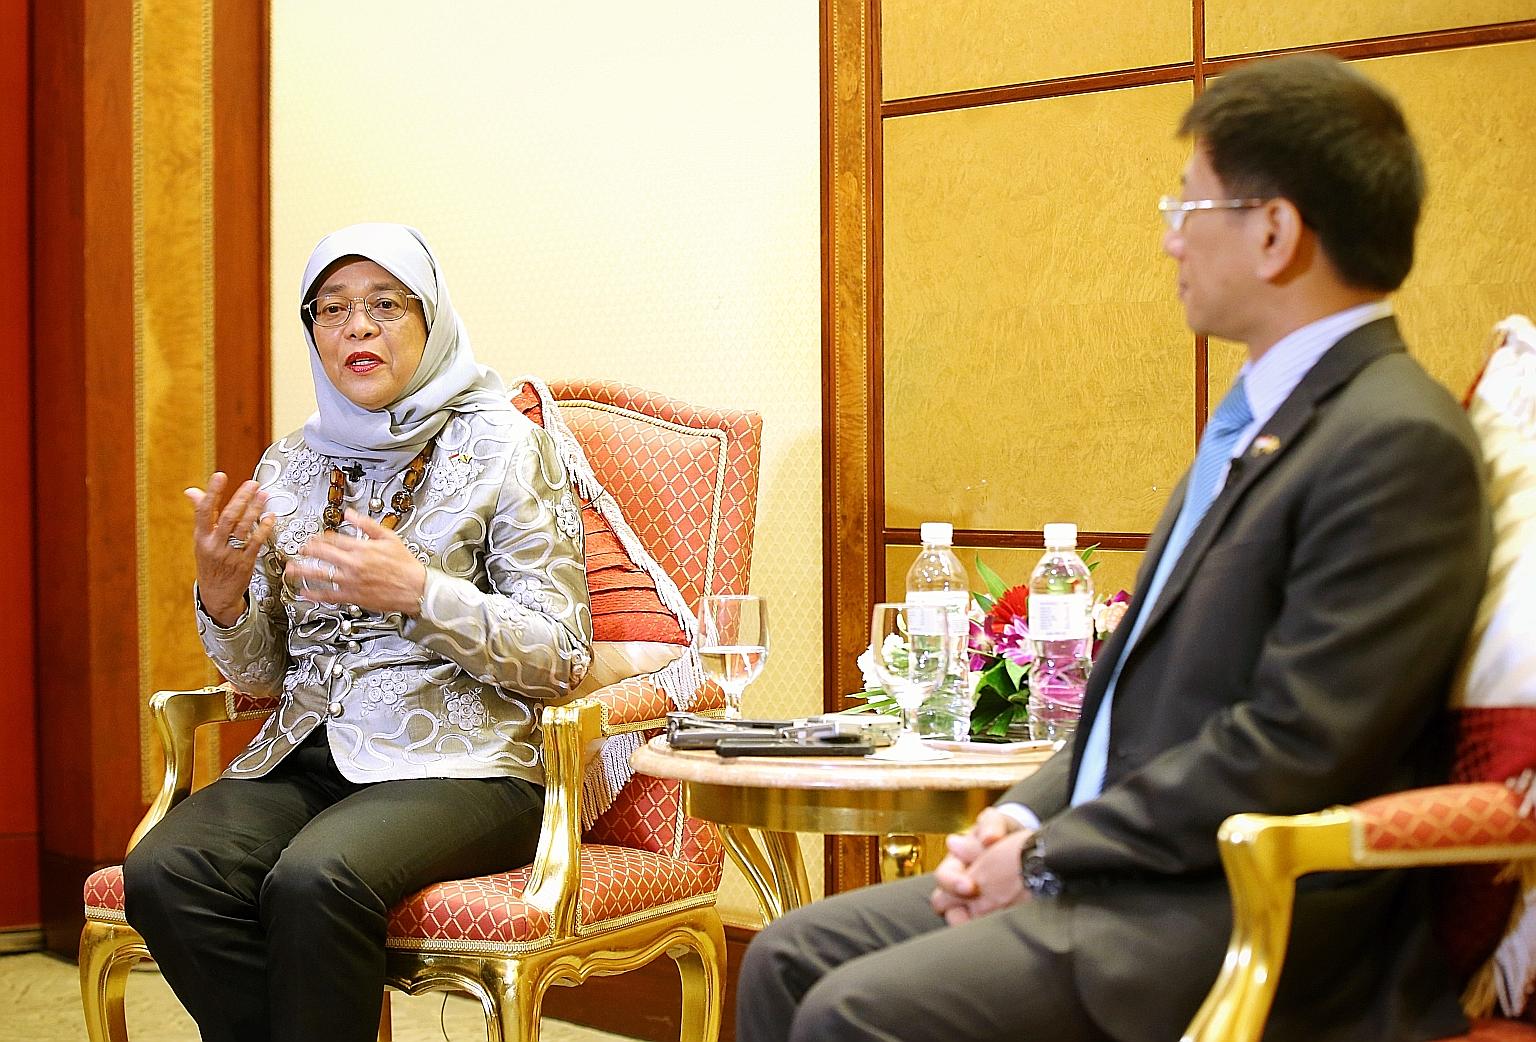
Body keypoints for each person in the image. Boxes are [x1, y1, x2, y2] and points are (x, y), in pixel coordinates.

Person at [737, 54, 1490, 1042]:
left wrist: (1051, 849)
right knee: (782, 958)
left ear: (1274, 232)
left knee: (852, 1014)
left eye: (1191, 207)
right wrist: (1021, 816)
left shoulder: (1397, 441)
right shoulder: (1259, 419)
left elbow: (1294, 746)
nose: (1171, 239)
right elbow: (1131, 703)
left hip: (1228, 913)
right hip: (1123, 876)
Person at [123, 222, 594, 1042]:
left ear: (431, 318)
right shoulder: (290, 464)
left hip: (469, 767)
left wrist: (421, 594)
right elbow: (266, 674)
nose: (358, 327)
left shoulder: (509, 450)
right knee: (165, 869)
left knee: (316, 878)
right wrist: (225, 598)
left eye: (384, 304)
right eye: (332, 309)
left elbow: (560, 654)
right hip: (306, 754)